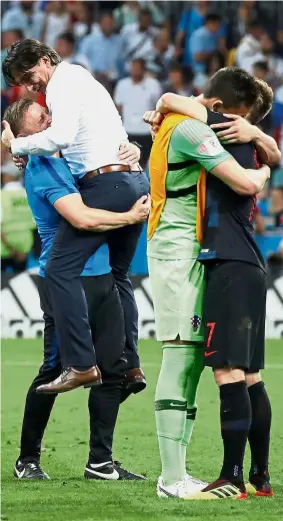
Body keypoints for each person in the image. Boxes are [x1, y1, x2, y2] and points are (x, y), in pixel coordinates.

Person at [147, 76, 279, 500]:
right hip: (200, 257)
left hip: (223, 262)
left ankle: (227, 475)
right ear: (220, 107)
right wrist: (263, 162)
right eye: (238, 119)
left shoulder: (216, 133)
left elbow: (171, 98)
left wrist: (259, 163)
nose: (235, 125)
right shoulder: (196, 130)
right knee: (221, 367)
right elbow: (249, 175)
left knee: (227, 371)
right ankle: (202, 476)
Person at [4, 98, 149, 481]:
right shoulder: (42, 167)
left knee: (113, 369)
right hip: (66, 281)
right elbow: (81, 219)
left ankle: (100, 462)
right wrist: (129, 216)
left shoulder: (68, 155)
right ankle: (27, 459)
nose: (50, 120)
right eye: (41, 118)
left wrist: (133, 150)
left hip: (101, 277)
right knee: (54, 367)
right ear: (24, 137)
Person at [2, 39, 150, 394]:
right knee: (119, 276)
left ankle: (82, 365)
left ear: (44, 59)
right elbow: (106, 128)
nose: (30, 85)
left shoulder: (61, 84)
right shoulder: (83, 80)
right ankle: (131, 365)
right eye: (22, 81)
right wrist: (136, 149)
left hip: (107, 185)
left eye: (29, 74)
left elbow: (61, 136)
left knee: (57, 268)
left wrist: (16, 146)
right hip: (131, 179)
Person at [114, 58, 162, 169]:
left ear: (144, 69)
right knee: (128, 163)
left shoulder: (153, 84)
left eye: (137, 68)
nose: (135, 71)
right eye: (133, 68)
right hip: (128, 130)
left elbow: (159, 107)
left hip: (146, 131)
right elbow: (118, 107)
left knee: (145, 164)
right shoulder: (122, 84)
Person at [1, 160, 35, 273]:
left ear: (7, 176)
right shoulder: (28, 194)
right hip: (25, 248)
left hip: (4, 249)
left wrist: (12, 250)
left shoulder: (2, 196)